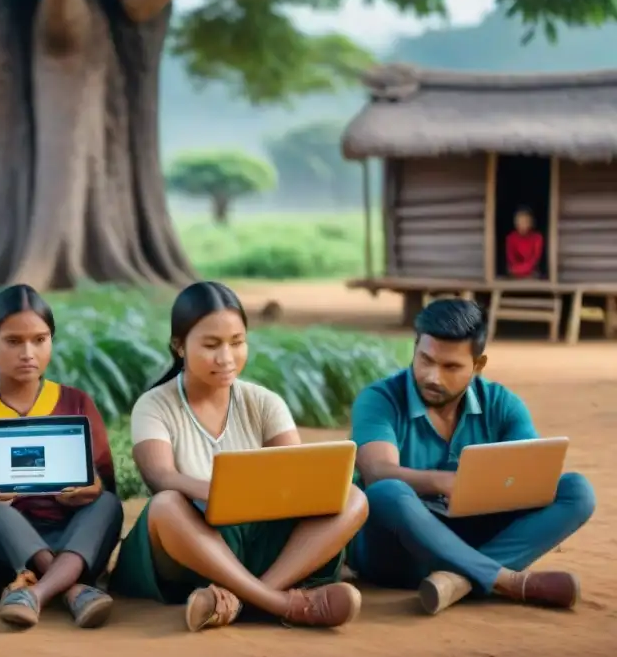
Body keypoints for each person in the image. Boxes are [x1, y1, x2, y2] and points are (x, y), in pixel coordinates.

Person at [110, 281, 368, 632]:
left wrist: (267, 494)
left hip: (258, 542)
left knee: (353, 498)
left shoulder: (263, 402)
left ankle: (244, 598)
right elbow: (160, 477)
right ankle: (282, 604)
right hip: (193, 543)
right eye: (212, 345)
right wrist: (217, 492)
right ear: (179, 346)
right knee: (167, 504)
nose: (227, 358)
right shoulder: (155, 405)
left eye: (237, 342)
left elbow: (298, 476)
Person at [349, 298, 596, 615]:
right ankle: (506, 580)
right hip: (399, 553)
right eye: (425, 359)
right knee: (386, 492)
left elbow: (530, 479)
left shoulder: (502, 404)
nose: (432, 376)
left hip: (473, 535)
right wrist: (445, 482)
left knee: (577, 491)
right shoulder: (380, 398)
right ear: (415, 349)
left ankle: (458, 580)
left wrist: (483, 489)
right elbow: (378, 472)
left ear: (478, 365)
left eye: (450, 367)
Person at [0, 284, 123, 630]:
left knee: (108, 504)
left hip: (74, 534)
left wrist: (92, 489)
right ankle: (72, 588)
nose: (28, 353)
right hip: (6, 540)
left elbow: (104, 479)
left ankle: (35, 594)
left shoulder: (76, 402)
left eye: (39, 340)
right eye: (13, 341)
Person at [505, 206, 544, 279]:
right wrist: (517, 270)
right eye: (520, 222)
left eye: (526, 222)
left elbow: (534, 260)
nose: (523, 225)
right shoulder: (511, 238)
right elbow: (511, 259)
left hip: (532, 272)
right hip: (515, 271)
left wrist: (522, 270)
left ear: (531, 223)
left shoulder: (537, 238)